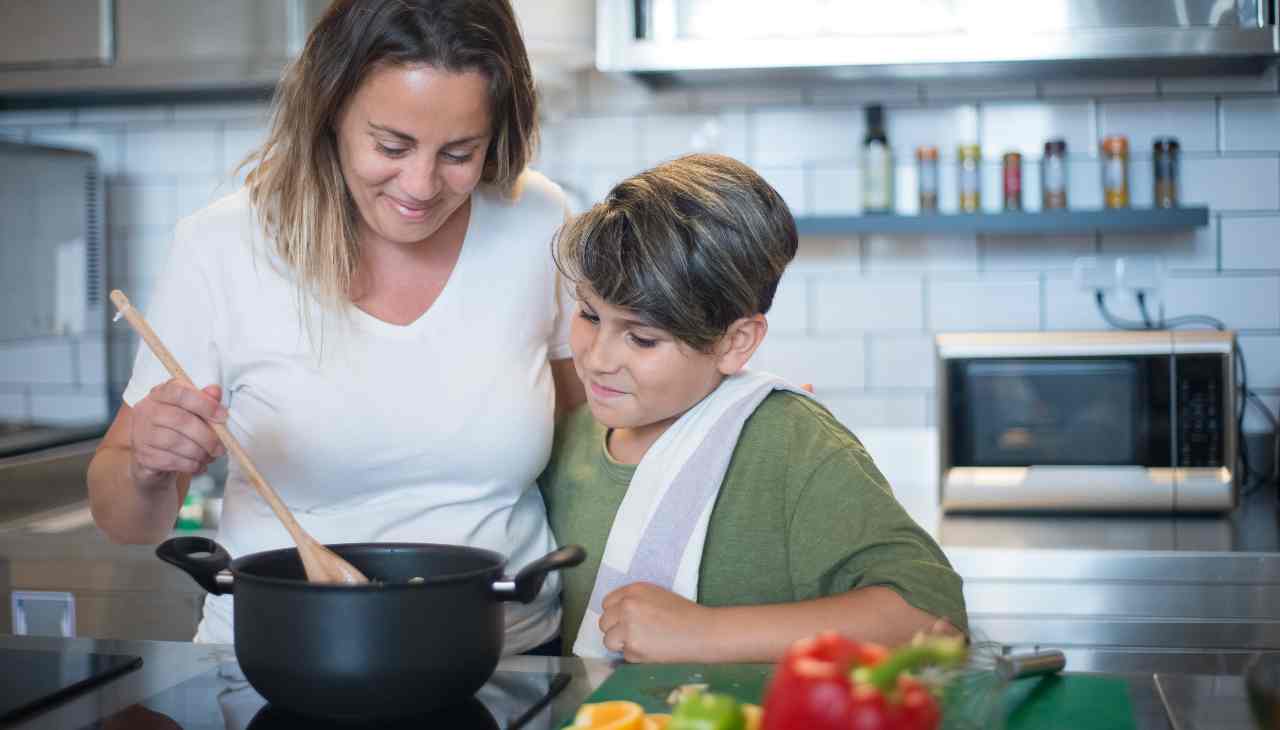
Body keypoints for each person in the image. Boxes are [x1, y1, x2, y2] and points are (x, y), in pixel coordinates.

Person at [86, 0, 585, 655]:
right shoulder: (225, 246)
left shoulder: (535, 218)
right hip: (285, 656)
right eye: (391, 146)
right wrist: (148, 467)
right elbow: (125, 520)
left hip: (507, 654)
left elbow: (589, 446)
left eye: (460, 152)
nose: (421, 184)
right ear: (331, 111)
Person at [539, 154, 967, 663]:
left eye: (643, 338)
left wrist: (704, 634)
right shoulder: (564, 440)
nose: (598, 358)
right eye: (589, 315)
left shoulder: (792, 444)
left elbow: (931, 620)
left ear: (735, 341)